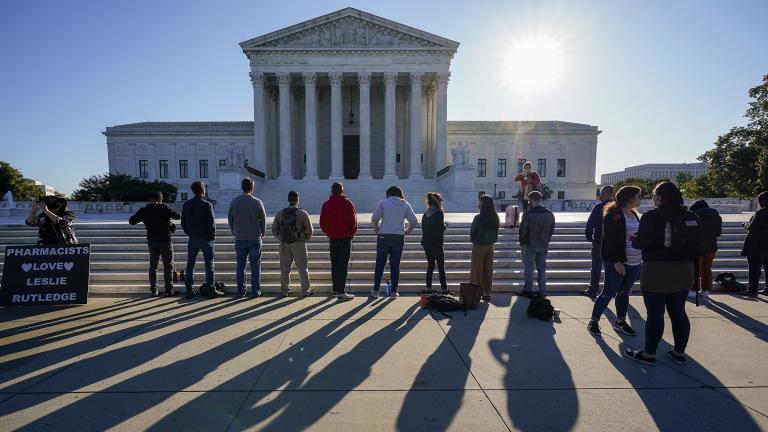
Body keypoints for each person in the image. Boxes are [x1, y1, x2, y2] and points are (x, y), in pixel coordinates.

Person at [625, 182, 699, 366]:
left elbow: (641, 243)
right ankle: (679, 352)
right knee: (679, 311)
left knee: (655, 313)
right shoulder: (690, 216)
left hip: (657, 270)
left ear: (659, 197)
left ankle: (649, 354)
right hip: (684, 269)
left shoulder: (652, 216)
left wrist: (635, 239)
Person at [586, 186, 642, 337]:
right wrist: (617, 261)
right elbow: (609, 241)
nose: (640, 198)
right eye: (638, 196)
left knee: (624, 293)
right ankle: (593, 321)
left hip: (635, 261)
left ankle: (620, 322)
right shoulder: (613, 214)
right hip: (617, 262)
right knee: (608, 292)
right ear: (629, 197)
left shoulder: (634, 214)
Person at [129, 191, 181, 297]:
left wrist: (145, 216)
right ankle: (169, 290)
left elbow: (132, 221)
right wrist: (164, 208)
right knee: (168, 266)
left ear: (149, 199)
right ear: (161, 199)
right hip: (165, 240)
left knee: (153, 266)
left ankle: (154, 290)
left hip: (152, 241)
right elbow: (177, 216)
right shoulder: (164, 208)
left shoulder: (144, 210)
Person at [371, 186, 418, 298]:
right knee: (395, 264)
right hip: (398, 236)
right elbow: (414, 221)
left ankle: (376, 291)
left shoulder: (383, 202)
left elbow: (374, 218)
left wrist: (377, 230)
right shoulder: (405, 204)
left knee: (380, 264)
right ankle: (394, 292)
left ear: (388, 193)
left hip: (383, 236)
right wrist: (407, 231)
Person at [181, 181, 221, 299]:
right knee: (209, 265)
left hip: (193, 238)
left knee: (190, 265)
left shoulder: (187, 205)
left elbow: (183, 223)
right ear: (203, 190)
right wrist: (212, 237)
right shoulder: (207, 205)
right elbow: (211, 224)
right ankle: (210, 288)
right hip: (206, 239)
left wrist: (189, 233)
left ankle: (190, 290)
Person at [228, 177, 266, 298]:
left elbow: (230, 218)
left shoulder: (234, 201)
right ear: (252, 188)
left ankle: (241, 291)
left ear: (242, 187)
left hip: (240, 237)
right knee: (255, 267)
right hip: (255, 237)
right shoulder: (257, 202)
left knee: (240, 266)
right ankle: (255, 291)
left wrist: (234, 231)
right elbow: (263, 219)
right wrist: (263, 232)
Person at [319, 182, 356, 301]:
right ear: (342, 191)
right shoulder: (347, 203)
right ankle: (341, 291)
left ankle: (335, 290)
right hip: (345, 239)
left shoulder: (327, 204)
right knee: (343, 265)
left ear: (332, 191)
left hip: (333, 239)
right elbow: (353, 221)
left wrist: (329, 232)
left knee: (334, 264)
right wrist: (351, 233)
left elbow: (322, 222)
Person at [272, 190, 314, 297]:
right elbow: (310, 230)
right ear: (297, 200)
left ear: (288, 200)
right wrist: (304, 238)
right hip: (299, 243)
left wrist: (281, 237)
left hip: (284, 244)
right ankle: (305, 290)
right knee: (302, 268)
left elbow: (274, 229)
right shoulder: (302, 213)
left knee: (285, 267)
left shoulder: (280, 213)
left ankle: (285, 290)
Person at [518, 191, 555, 298]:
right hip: (543, 244)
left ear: (530, 200)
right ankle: (542, 291)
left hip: (529, 244)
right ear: (540, 199)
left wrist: (522, 242)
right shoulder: (549, 213)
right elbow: (551, 229)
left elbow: (523, 230)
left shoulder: (528, 213)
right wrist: (546, 239)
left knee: (529, 268)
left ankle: (527, 290)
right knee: (542, 269)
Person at [582, 185, 615, 298]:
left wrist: (589, 236)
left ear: (603, 195)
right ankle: (611, 290)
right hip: (614, 243)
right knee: (611, 267)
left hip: (599, 242)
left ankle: (593, 289)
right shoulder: (619, 208)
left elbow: (590, 224)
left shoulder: (598, 207)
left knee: (596, 266)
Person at [689, 200, 723, 299]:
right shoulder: (716, 215)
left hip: (697, 246)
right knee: (707, 268)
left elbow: (691, 231)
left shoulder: (695, 214)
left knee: (695, 269)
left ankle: (693, 291)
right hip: (711, 245)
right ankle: (705, 291)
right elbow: (718, 232)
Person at [470, 195, 500, 302]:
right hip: (490, 246)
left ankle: (476, 292)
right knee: (488, 269)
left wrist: (475, 239)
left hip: (479, 245)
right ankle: (487, 292)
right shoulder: (495, 217)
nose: (477, 204)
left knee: (477, 270)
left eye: (479, 202)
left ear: (482, 204)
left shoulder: (478, 218)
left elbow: (473, 233)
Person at [421, 192, 450, 295]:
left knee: (430, 265)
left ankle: (428, 287)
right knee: (441, 266)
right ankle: (444, 289)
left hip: (426, 242)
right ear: (438, 203)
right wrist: (446, 224)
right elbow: (441, 228)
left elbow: (424, 228)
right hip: (437, 243)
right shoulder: (439, 213)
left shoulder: (425, 214)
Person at [741, 191, 768, 297]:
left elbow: (752, 228)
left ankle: (752, 290)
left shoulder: (761, 213)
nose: (759, 203)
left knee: (754, 269)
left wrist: (745, 225)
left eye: (759, 201)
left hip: (756, 246)